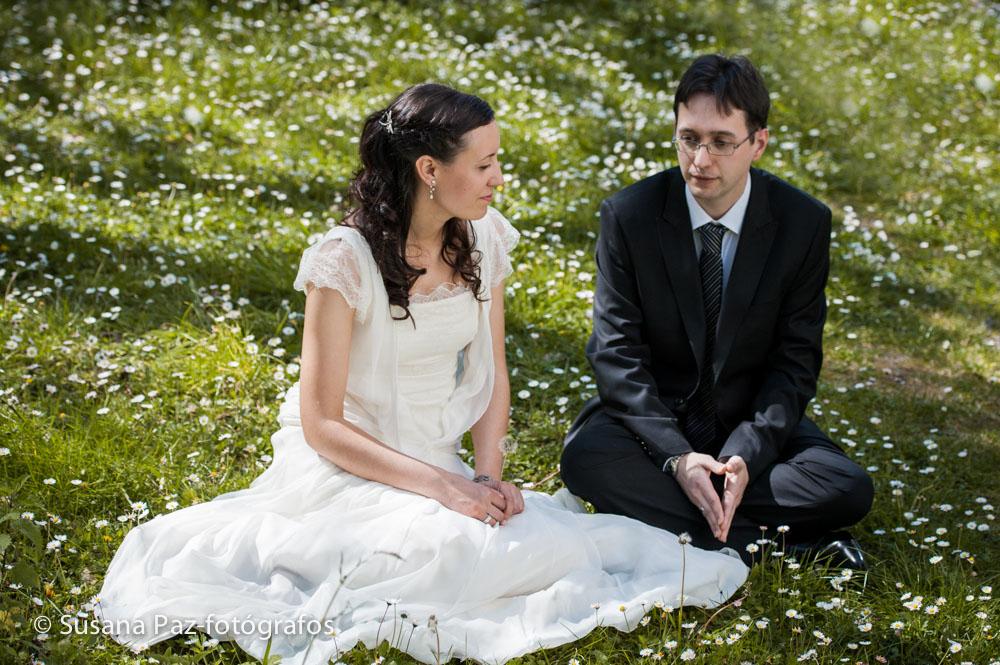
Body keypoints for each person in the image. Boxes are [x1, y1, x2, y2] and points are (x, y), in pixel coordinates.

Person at [95, 83, 747, 665]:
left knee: (549, 549)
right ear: (429, 170)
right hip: (350, 463)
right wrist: (443, 487)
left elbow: (493, 373)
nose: (498, 178)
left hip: (440, 457)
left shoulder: (483, 237)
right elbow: (322, 426)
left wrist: (486, 475)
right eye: (484, 165)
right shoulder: (343, 260)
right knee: (447, 557)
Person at [561, 55, 874, 569]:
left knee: (846, 487)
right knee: (585, 460)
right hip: (655, 426)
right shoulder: (630, 215)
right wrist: (677, 458)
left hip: (747, 422)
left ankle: (692, 516)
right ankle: (788, 548)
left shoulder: (802, 223)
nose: (700, 160)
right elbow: (615, 354)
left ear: (758, 143)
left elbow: (795, 363)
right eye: (689, 138)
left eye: (721, 142)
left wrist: (744, 456)